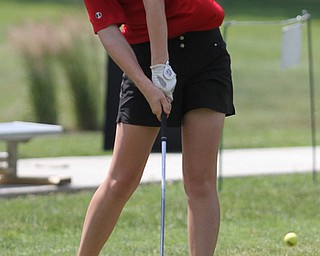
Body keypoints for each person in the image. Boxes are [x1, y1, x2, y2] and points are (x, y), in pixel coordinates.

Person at [78, 0, 235, 255]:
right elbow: (107, 30)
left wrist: (161, 66)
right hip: (142, 53)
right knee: (121, 179)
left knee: (200, 181)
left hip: (205, 50)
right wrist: (147, 85)